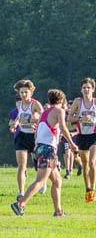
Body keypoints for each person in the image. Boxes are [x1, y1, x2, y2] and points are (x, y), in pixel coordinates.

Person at [11, 89, 78, 217]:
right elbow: (64, 128)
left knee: (57, 181)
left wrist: (38, 146)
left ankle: (58, 211)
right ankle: (20, 204)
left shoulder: (45, 112)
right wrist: (72, 144)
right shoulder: (59, 111)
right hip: (48, 149)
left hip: (41, 148)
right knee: (41, 181)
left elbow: (37, 132)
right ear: (62, 100)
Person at [68, 78, 96, 203]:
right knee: (85, 164)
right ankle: (87, 188)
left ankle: (93, 190)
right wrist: (80, 118)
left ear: (93, 89)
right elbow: (69, 118)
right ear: (81, 89)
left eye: (88, 87)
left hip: (95, 135)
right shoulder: (78, 102)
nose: (86, 89)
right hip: (82, 135)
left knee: (92, 163)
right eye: (84, 87)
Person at [10, 80, 42, 197]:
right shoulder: (19, 104)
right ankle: (21, 192)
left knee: (39, 164)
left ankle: (41, 183)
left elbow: (44, 118)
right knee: (21, 166)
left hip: (35, 136)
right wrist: (15, 124)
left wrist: (33, 119)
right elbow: (19, 117)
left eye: (26, 92)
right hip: (22, 136)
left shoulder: (35, 104)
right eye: (21, 92)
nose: (23, 95)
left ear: (31, 92)